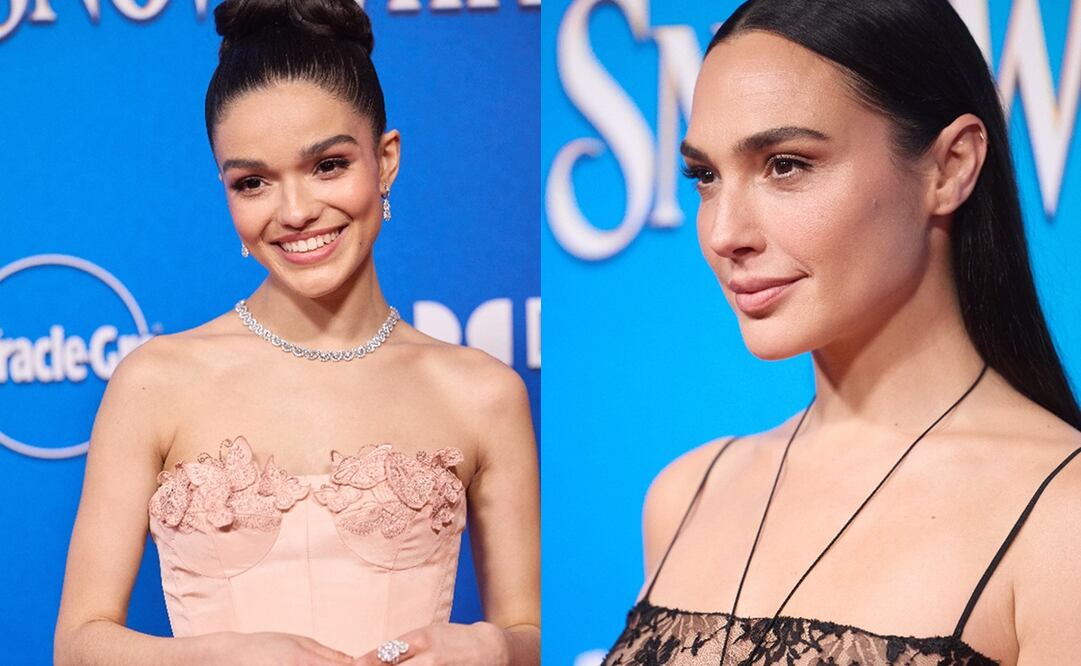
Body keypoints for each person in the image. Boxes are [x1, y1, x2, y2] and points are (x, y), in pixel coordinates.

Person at [53, 0, 540, 664]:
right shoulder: (156, 383)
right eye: (253, 182)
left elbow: (529, 629)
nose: (296, 212)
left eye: (328, 165)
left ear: (386, 159)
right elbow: (79, 643)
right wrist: (223, 658)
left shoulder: (481, 393)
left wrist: (490, 648)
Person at [601, 1, 1081, 664]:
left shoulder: (1063, 519)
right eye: (705, 177)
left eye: (786, 165)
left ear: (950, 166)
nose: (723, 234)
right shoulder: (686, 493)